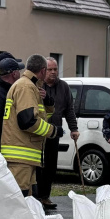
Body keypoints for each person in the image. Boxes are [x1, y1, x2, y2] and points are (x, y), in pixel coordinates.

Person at [0, 54, 63, 196]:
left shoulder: (30, 86)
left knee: (29, 202)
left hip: (26, 159)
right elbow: (28, 122)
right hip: (21, 157)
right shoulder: (26, 87)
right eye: (47, 70)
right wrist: (54, 131)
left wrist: (48, 103)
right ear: (42, 71)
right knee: (19, 202)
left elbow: (41, 117)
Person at [36, 57, 79, 210]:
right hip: (37, 133)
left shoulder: (64, 87)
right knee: (37, 166)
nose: (53, 72)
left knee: (51, 165)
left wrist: (74, 128)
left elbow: (69, 110)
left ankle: (45, 196)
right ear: (43, 70)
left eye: (55, 69)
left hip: (54, 132)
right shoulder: (37, 85)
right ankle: (35, 196)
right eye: (50, 69)